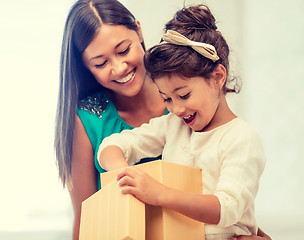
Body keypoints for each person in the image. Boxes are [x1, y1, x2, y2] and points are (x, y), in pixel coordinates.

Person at [55, 0, 271, 239]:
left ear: (138, 31)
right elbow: (86, 222)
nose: (118, 68)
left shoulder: (192, 118)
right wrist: (127, 175)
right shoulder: (171, 123)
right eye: (101, 62)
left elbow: (230, 206)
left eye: (123, 50)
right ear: (86, 67)